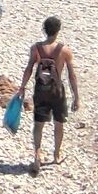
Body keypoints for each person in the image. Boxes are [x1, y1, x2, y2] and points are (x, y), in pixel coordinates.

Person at [18, 16, 80, 174]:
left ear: (44, 30)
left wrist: (22, 87)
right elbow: (72, 75)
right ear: (58, 30)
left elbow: (29, 68)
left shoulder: (36, 48)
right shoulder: (64, 50)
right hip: (57, 91)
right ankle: (56, 155)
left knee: (39, 124)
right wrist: (76, 96)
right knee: (59, 123)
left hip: (40, 90)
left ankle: (37, 154)